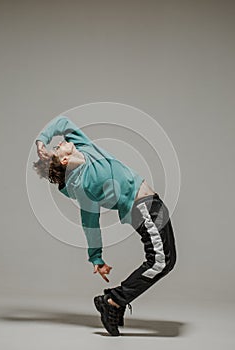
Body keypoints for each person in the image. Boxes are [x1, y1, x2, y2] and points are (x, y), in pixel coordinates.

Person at [33, 116, 177, 336]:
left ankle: (114, 302)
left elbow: (62, 123)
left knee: (167, 260)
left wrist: (41, 141)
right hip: (142, 208)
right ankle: (112, 301)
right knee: (160, 261)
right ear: (63, 161)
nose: (59, 143)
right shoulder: (82, 185)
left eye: (58, 143)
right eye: (57, 148)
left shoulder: (84, 147)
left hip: (153, 204)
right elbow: (90, 222)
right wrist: (96, 257)